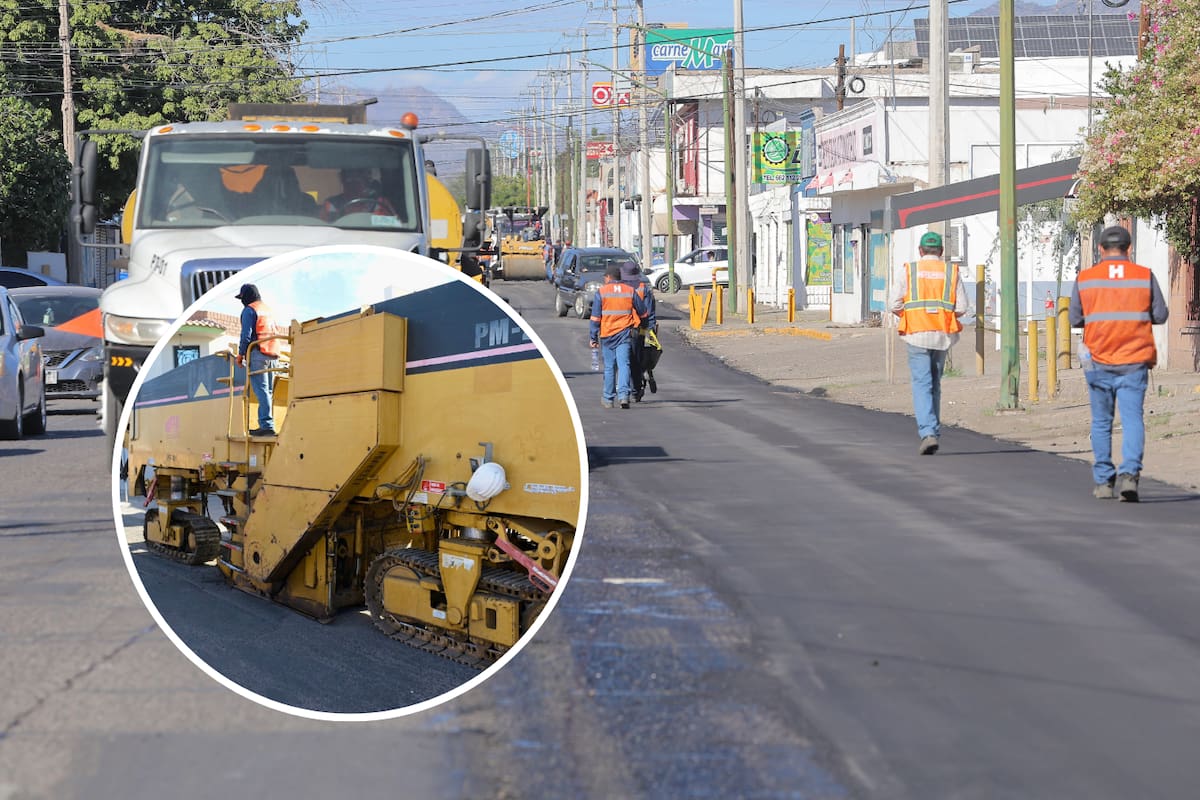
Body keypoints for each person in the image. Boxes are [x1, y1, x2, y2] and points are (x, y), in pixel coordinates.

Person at [1068, 225, 1169, 502]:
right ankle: (1130, 476)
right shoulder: (1143, 276)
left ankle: (1103, 482)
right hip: (1134, 360)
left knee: (1101, 422)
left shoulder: (1086, 278)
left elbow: (1075, 319)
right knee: (1133, 419)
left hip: (1098, 361)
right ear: (1129, 248)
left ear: (1100, 249)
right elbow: (1160, 315)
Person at [889, 230, 969, 455]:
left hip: (916, 334)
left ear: (920, 251)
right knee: (935, 383)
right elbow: (962, 308)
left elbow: (894, 303)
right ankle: (932, 429)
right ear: (941, 251)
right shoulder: (951, 272)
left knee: (922, 383)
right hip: (942, 335)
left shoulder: (909, 271)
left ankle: (928, 432)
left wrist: (913, 314)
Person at [590, 263, 647, 409]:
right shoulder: (629, 290)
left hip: (607, 334)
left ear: (608, 277)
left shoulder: (601, 292)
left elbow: (595, 318)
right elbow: (643, 311)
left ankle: (608, 399)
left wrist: (593, 337)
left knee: (609, 367)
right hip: (624, 334)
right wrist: (644, 325)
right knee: (624, 365)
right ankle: (623, 396)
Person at [235, 283, 283, 436]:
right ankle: (268, 423)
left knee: (262, 390)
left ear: (246, 297)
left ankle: (267, 425)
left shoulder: (250, 310)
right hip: (274, 353)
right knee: (268, 391)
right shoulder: (268, 310)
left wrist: (241, 354)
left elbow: (246, 335)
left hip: (258, 353)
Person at [620, 260, 657, 400]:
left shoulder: (620, 288)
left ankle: (626, 390)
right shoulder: (643, 287)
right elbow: (649, 312)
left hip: (621, 328)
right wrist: (651, 329)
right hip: (639, 329)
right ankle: (636, 389)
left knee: (624, 361)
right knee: (637, 360)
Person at [320, 167, 396, 221]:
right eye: (349, 180)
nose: (353, 185)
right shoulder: (332, 204)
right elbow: (324, 228)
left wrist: (375, 219)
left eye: (358, 179)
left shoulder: (379, 203)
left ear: (366, 181)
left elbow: (393, 226)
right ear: (343, 181)